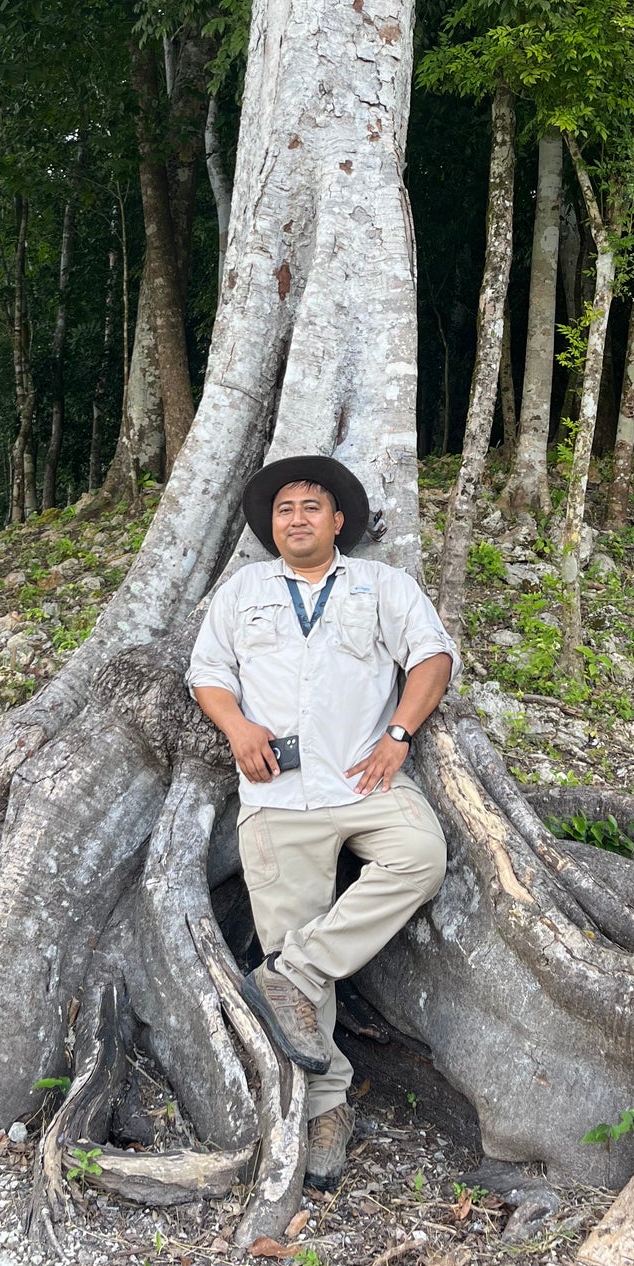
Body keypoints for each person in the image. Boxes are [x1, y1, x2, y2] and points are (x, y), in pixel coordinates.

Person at [188, 453, 458, 1193]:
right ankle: (327, 1108)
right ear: (269, 525)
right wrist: (236, 726)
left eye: (311, 505)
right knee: (292, 936)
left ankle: (290, 976)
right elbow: (206, 672)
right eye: (283, 509)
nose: (297, 517)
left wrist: (398, 733)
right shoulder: (242, 590)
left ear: (338, 520)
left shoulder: (382, 584)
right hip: (276, 796)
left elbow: (431, 658)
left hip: (364, 779)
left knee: (419, 855)